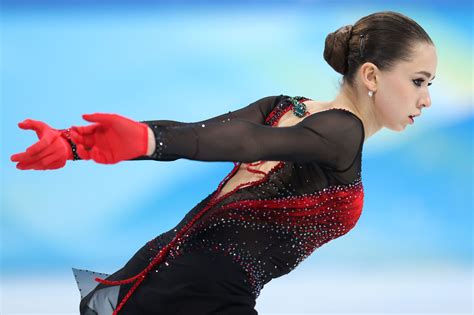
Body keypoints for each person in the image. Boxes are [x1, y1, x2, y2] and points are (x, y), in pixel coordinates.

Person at [10, 10, 437, 315]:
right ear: (371, 76)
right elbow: (242, 139)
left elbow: (205, 134)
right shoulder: (344, 131)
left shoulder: (284, 107)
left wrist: (75, 144)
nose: (426, 98)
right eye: (418, 81)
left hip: (167, 270)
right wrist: (147, 138)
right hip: (202, 293)